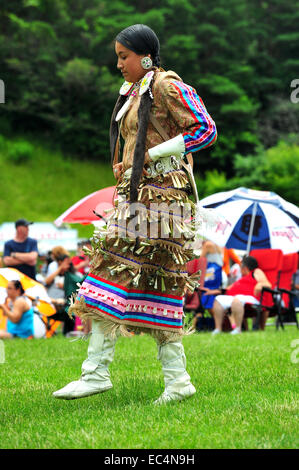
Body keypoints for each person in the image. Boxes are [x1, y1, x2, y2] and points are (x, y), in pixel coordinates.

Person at [53, 24, 217, 404]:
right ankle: (176, 381)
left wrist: (153, 154)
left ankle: (98, 373)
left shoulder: (166, 86)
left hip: (163, 202)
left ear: (144, 56)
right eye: (117, 57)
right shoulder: (134, 91)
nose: (119, 64)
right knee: (156, 285)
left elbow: (206, 130)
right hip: (141, 198)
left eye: (123, 56)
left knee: (108, 272)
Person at [211, 255, 271, 335]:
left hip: (252, 298)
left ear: (244, 267)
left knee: (237, 299)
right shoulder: (242, 278)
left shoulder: (256, 272)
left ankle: (237, 329)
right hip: (238, 298)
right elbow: (228, 288)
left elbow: (266, 283)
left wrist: (259, 285)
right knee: (218, 299)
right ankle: (218, 329)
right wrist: (213, 291)